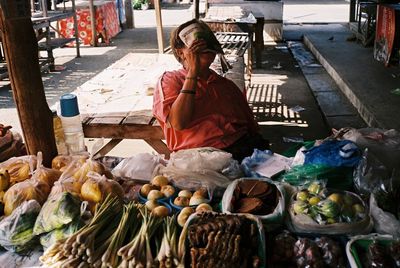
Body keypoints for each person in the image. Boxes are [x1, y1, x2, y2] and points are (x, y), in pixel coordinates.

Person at [152, 19, 269, 161]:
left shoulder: (226, 85)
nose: (202, 47)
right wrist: (193, 72)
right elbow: (178, 123)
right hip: (198, 158)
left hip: (240, 151)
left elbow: (252, 127)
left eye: (206, 43)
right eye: (195, 45)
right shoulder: (171, 80)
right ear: (181, 53)